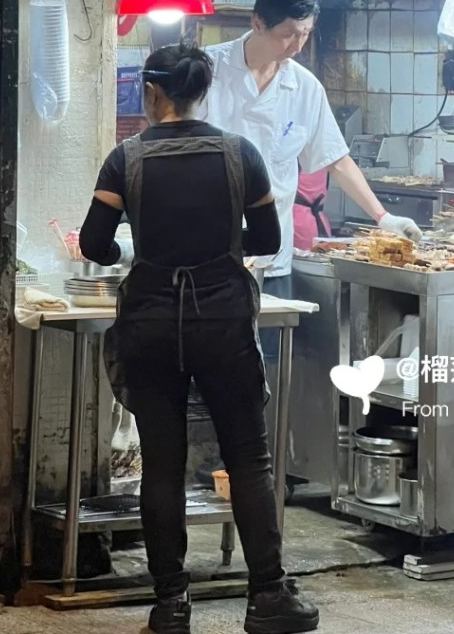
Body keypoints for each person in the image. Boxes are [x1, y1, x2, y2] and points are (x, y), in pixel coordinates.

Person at [79, 45, 319, 634]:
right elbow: (266, 240)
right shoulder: (240, 154)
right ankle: (268, 597)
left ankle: (170, 605)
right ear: (202, 93)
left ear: (152, 92)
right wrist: (218, 240)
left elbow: (92, 244)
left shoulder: (127, 159)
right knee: (249, 459)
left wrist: (130, 250)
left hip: (152, 324)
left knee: (162, 464)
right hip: (223, 322)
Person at [204, 0, 422, 306]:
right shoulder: (208, 72)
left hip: (270, 258)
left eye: (306, 33)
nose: (298, 45)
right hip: (205, 255)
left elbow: (337, 159)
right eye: (289, 34)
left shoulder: (305, 88)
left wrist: (383, 217)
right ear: (258, 23)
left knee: (271, 338)